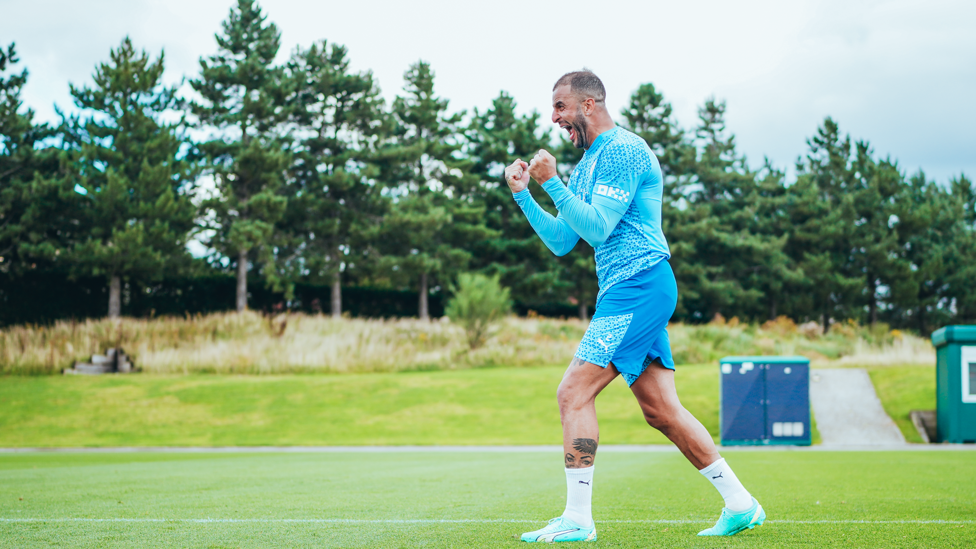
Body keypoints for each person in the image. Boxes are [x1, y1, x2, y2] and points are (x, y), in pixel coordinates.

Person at [504, 70, 764, 542]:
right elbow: (566, 240)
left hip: (639, 286)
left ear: (589, 104)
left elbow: (599, 228)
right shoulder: (585, 167)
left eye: (560, 106)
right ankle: (741, 504)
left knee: (573, 392)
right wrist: (526, 195)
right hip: (629, 290)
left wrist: (552, 182)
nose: (554, 117)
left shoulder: (623, 150)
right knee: (661, 410)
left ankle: (578, 519)